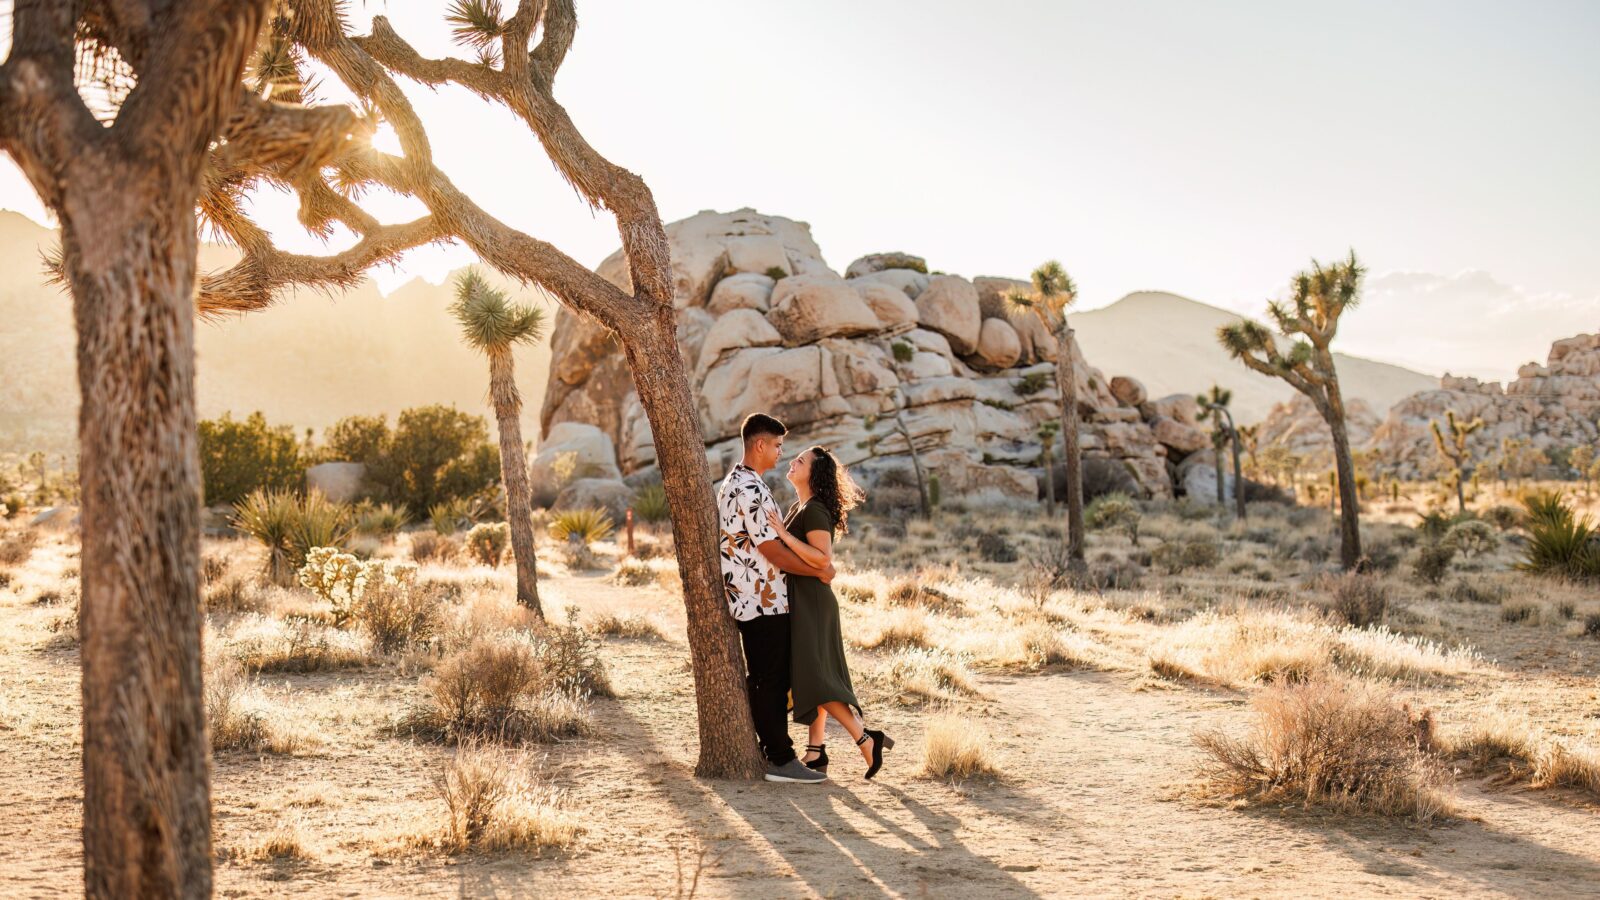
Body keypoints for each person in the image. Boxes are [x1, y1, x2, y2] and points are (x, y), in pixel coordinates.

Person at [717, 413, 835, 784]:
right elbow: (771, 550)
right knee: (770, 678)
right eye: (778, 445)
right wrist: (817, 571)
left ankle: (776, 752)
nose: (781, 453)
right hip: (759, 598)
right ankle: (780, 759)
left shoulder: (742, 482)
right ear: (759, 445)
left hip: (760, 596)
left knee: (769, 677)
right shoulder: (748, 488)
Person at [766, 446, 895, 779]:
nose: (792, 462)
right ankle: (816, 752)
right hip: (804, 600)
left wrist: (781, 535)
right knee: (813, 675)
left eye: (801, 461)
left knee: (817, 678)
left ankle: (866, 739)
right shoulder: (800, 506)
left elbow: (823, 560)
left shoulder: (816, 510)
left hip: (814, 603)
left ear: (814, 472)